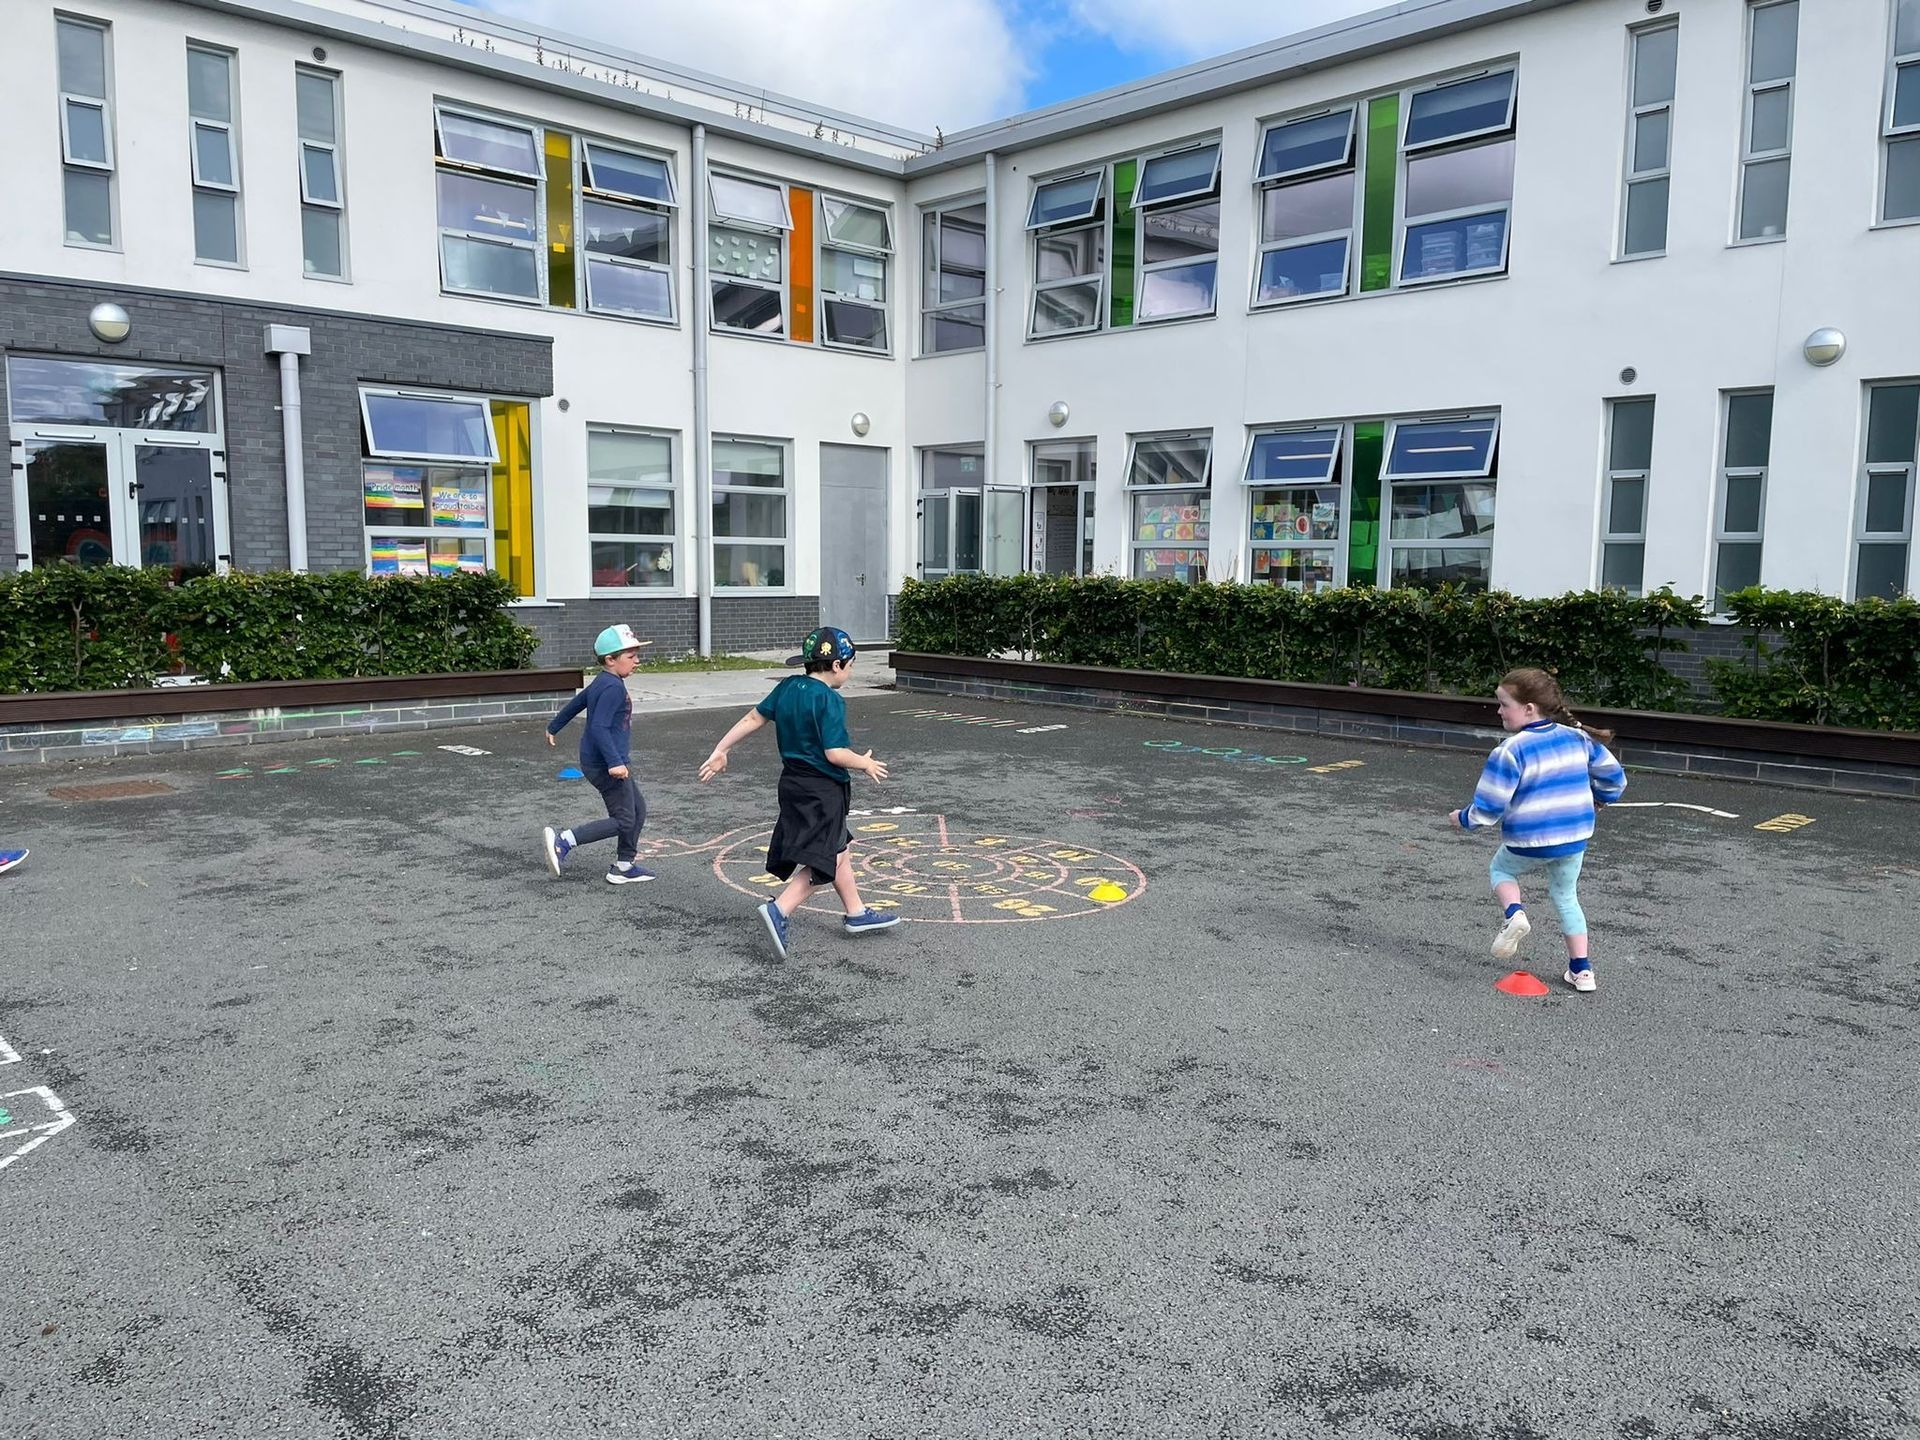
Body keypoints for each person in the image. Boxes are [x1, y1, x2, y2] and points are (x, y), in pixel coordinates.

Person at [698, 626, 898, 960]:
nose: (850, 672)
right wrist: (863, 763)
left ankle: (856, 912)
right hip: (823, 789)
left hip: (792, 784)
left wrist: (722, 749)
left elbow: (753, 717)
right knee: (826, 857)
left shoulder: (788, 687)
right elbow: (835, 753)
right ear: (837, 665)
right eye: (850, 665)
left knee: (838, 846)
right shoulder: (829, 700)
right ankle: (780, 909)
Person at [1448, 667, 1626, 993]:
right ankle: (1582, 970)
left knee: (1501, 870)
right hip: (1573, 838)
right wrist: (1600, 800)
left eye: (1504, 704)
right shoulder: (1579, 739)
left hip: (1529, 839)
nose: (1499, 711)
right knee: (1566, 897)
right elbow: (1615, 779)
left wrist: (1463, 818)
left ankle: (1514, 914)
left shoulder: (1510, 750)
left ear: (1529, 708)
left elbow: (1489, 806)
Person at [542, 624, 654, 885]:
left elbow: (578, 702)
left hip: (602, 760)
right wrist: (615, 763)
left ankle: (624, 866)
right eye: (631, 656)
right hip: (607, 764)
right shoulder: (613, 687)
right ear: (610, 660)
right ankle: (564, 841)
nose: (637, 661)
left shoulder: (604, 681)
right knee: (624, 819)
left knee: (637, 810)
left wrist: (554, 726)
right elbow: (599, 727)